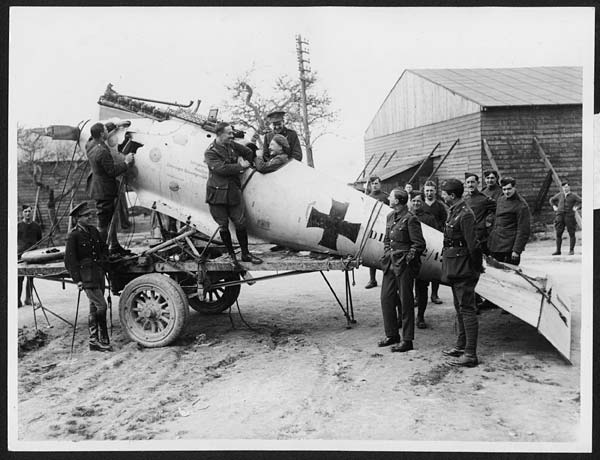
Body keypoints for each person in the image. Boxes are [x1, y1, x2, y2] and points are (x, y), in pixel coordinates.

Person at [205, 122, 263, 265]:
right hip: (217, 194)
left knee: (240, 223)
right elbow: (221, 169)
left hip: (233, 191)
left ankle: (245, 254)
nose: (232, 136)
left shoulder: (231, 145)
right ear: (220, 134)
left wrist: (247, 163)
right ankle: (232, 256)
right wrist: (240, 167)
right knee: (223, 226)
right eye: (229, 133)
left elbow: (248, 152)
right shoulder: (210, 152)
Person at [439, 179, 483, 367]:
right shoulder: (454, 211)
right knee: (459, 308)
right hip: (455, 267)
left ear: (452, 195)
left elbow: (473, 246)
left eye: (444, 193)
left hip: (463, 268)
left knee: (467, 310)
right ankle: (461, 346)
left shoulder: (465, 215)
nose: (442, 196)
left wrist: (474, 268)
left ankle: (471, 354)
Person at [378, 188, 425, 353]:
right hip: (390, 263)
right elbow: (386, 239)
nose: (388, 197)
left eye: (390, 196)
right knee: (386, 298)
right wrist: (386, 252)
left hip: (404, 266)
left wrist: (407, 259)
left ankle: (407, 340)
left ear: (397, 201)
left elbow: (419, 244)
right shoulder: (390, 216)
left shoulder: (411, 219)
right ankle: (392, 335)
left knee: (406, 302)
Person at [64, 202, 112, 352]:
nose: (90, 217)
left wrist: (105, 259)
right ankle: (102, 337)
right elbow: (70, 261)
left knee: (94, 306)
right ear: (78, 218)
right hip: (86, 277)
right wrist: (77, 280)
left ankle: (94, 341)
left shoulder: (93, 231)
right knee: (102, 306)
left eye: (90, 214)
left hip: (98, 273)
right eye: (86, 215)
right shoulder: (74, 235)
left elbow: (103, 248)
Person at [86, 122, 135, 256]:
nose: (108, 131)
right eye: (106, 130)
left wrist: (115, 125)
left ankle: (113, 245)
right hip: (105, 191)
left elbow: (95, 134)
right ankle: (101, 250)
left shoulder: (90, 144)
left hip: (98, 188)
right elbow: (112, 171)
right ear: (102, 134)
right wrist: (126, 162)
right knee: (104, 221)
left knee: (109, 218)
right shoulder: (102, 151)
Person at [408, 192, 437, 329]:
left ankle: (420, 316)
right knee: (405, 288)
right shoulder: (406, 216)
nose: (416, 204)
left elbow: (435, 238)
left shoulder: (429, 218)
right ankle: (403, 317)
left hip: (424, 257)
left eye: (418, 201)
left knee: (422, 288)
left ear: (423, 202)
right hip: (409, 257)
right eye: (413, 201)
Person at [487, 177, 531, 265]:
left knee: (510, 275)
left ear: (514, 188)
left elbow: (523, 230)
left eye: (509, 189)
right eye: (504, 189)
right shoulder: (500, 200)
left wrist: (516, 250)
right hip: (495, 245)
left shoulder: (521, 205)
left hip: (509, 248)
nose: (507, 192)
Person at [422, 180, 447, 304]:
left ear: (435, 191)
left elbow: (444, 222)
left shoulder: (440, 206)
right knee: (421, 268)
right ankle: (419, 297)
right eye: (427, 190)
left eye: (431, 190)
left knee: (435, 268)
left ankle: (434, 294)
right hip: (422, 239)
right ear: (424, 191)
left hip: (436, 239)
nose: (429, 193)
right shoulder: (420, 205)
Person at [365, 176, 389, 289]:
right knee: (372, 252)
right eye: (373, 184)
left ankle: (387, 279)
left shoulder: (386, 197)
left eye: (376, 183)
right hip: (372, 227)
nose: (375, 185)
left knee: (385, 253)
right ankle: (372, 279)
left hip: (384, 227)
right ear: (370, 185)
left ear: (380, 184)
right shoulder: (368, 197)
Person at [463, 172, 496, 255]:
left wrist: (489, 222)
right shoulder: (464, 199)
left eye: (473, 182)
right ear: (465, 184)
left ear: (477, 183)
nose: (470, 185)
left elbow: (498, 212)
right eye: (468, 182)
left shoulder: (484, 199)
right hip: (466, 236)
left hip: (480, 238)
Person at [17, 205, 42, 308]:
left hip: (32, 256)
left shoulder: (36, 226)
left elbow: (39, 240)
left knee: (30, 278)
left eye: (29, 211)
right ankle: (17, 300)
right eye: (25, 211)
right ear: (22, 213)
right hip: (20, 255)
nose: (28, 213)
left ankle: (28, 299)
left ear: (31, 213)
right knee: (19, 278)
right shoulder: (18, 226)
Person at [549, 180, 582, 255]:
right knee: (558, 233)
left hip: (569, 216)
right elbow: (551, 200)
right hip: (560, 215)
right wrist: (554, 206)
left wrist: (576, 207)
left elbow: (581, 201)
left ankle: (571, 250)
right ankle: (558, 251)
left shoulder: (573, 196)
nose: (565, 189)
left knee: (571, 233)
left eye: (566, 187)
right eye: (563, 187)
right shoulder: (560, 195)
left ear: (569, 187)